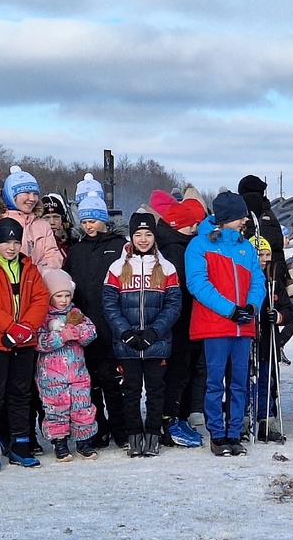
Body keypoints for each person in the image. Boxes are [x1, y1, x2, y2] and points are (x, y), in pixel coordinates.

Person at [186, 191, 265, 456]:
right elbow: (197, 283)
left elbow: (257, 280)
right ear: (227, 218)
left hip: (242, 324)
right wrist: (230, 310)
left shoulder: (246, 246)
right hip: (217, 324)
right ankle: (217, 435)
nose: (245, 220)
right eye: (241, 216)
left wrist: (252, 306)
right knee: (215, 381)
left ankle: (234, 433)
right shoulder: (199, 246)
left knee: (240, 381)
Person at [0, 217, 51, 470]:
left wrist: (25, 328)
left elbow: (41, 298)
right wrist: (11, 327)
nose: (12, 247)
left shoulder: (29, 267)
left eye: (16, 242)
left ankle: (20, 444)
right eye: (6, 242)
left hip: (23, 341)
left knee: (21, 394)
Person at [103, 211, 182, 457]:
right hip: (127, 344)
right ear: (132, 236)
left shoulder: (166, 267)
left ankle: (153, 433)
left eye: (148, 234)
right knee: (131, 390)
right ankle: (134, 434)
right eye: (139, 234)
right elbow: (109, 303)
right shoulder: (117, 266)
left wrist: (154, 331)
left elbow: (173, 305)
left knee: (156, 390)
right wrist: (125, 332)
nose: (144, 239)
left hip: (155, 342)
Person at [65, 190, 128, 449]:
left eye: (93, 220)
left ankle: (121, 429)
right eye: (85, 220)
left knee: (112, 382)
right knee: (88, 385)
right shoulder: (77, 250)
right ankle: (97, 428)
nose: (88, 225)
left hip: (110, 325)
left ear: (104, 219)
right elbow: (68, 284)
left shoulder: (118, 246)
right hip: (84, 327)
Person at [149, 190, 208, 446]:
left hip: (183, 321)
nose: (195, 229)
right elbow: (181, 288)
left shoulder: (177, 244)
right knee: (176, 373)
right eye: (192, 225)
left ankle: (177, 417)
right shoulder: (174, 249)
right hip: (178, 322)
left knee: (182, 372)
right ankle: (170, 421)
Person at [35, 267, 98, 462]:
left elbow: (91, 332)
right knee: (56, 409)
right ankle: (59, 442)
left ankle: (83, 441)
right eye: (58, 296)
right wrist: (59, 337)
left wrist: (80, 333)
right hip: (52, 376)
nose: (63, 300)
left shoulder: (77, 314)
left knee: (82, 406)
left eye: (66, 295)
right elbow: (37, 341)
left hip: (78, 373)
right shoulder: (43, 317)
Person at [0, 166, 63, 271]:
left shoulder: (42, 225)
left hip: (38, 282)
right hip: (1, 284)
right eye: (27, 193)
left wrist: (34, 274)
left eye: (35, 194)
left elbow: (54, 257)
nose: (32, 199)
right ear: (11, 194)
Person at [253, 234, 293, 442]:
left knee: (266, 382)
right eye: (259, 254)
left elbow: (290, 311)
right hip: (248, 338)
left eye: (267, 254)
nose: (264, 259)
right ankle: (244, 420)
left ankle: (266, 420)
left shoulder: (274, 281)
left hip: (268, 340)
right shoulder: (245, 278)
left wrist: (278, 316)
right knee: (244, 383)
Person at [40, 193, 73, 261]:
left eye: (56, 217)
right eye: (46, 218)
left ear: (63, 219)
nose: (52, 222)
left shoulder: (72, 242)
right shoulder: (35, 244)